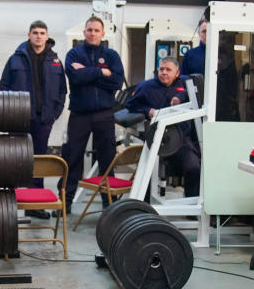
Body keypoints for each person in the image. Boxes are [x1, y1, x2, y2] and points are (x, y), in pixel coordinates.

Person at [61, 16, 125, 212]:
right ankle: (65, 202)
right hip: (79, 115)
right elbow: (75, 78)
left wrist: (89, 72)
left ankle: (109, 204)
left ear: (103, 34)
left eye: (96, 30)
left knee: (107, 158)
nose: (92, 33)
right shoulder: (73, 54)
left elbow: (116, 82)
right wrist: (101, 72)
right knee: (72, 158)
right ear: (84, 32)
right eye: (89, 30)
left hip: (104, 115)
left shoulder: (112, 56)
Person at [0, 20, 67, 205]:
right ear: (29, 35)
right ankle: (8, 202)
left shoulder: (55, 61)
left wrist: (54, 115)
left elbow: (62, 91)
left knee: (38, 162)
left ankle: (35, 203)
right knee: (14, 159)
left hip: (43, 120)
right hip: (18, 118)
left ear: (47, 36)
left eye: (42, 33)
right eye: (35, 32)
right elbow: (3, 87)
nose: (38, 36)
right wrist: (10, 113)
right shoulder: (16, 59)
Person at [125, 57, 201, 197]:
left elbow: (199, 91)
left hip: (180, 138)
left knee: (194, 167)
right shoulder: (146, 86)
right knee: (146, 171)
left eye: (168, 70)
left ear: (177, 73)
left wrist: (180, 96)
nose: (164, 73)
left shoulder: (186, 83)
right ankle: (143, 207)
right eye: (161, 69)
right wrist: (147, 111)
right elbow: (130, 105)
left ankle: (191, 206)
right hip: (154, 138)